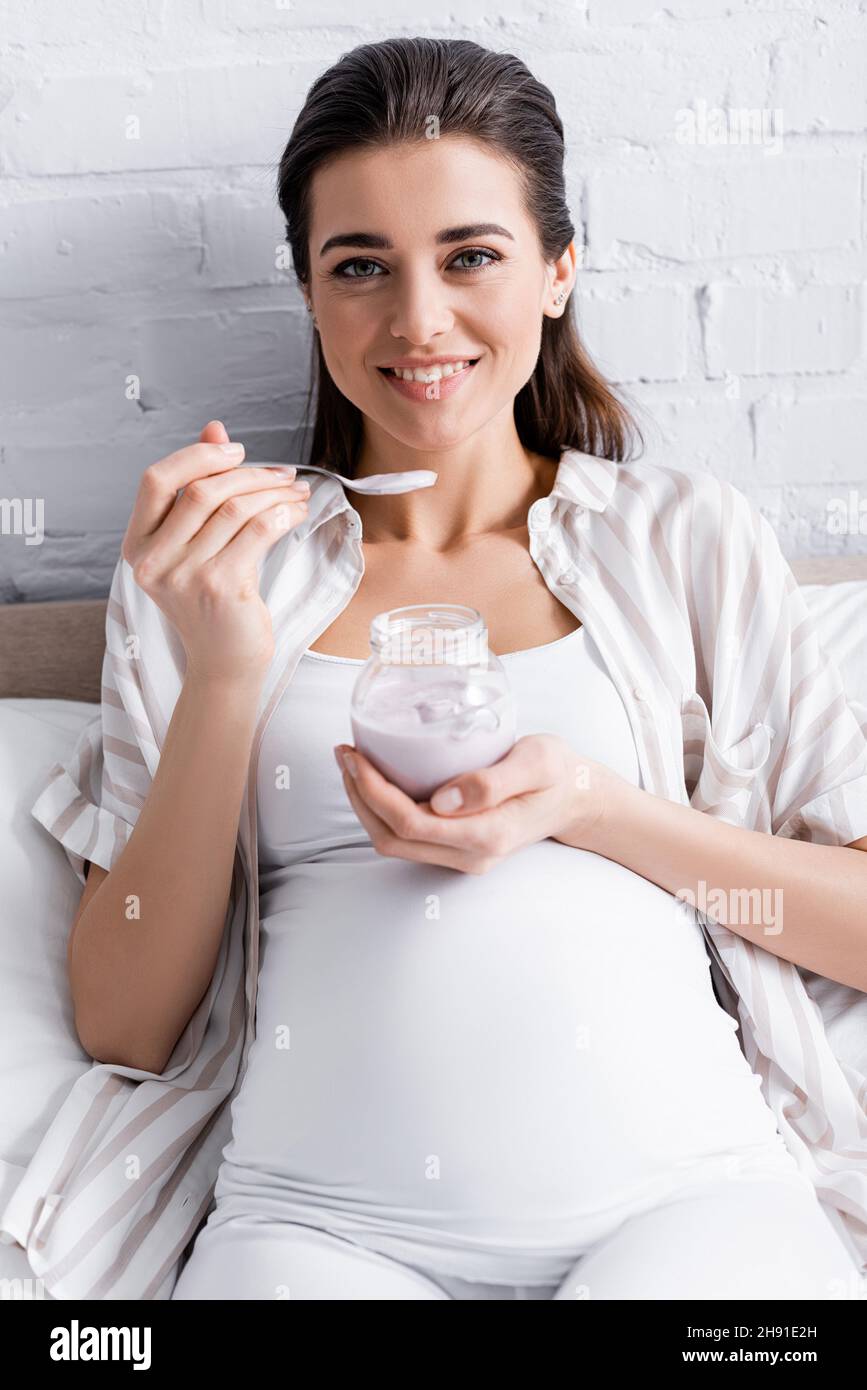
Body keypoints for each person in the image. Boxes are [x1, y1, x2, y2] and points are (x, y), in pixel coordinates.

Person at [63, 37, 867, 1301]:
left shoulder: (684, 538)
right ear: (312, 293)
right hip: (316, 1236)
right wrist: (225, 673)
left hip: (695, 1205)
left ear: (559, 269)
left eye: (472, 256)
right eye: (361, 267)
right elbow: (124, 1021)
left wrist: (599, 811)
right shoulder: (211, 573)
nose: (418, 319)